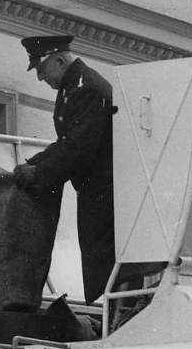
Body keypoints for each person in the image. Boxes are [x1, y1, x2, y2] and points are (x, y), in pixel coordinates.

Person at [13, 35, 116, 304]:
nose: (39, 78)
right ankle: (110, 316)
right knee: (98, 262)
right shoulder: (76, 86)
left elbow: (78, 149)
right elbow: (67, 142)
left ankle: (113, 319)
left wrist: (38, 173)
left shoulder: (87, 88)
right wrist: (36, 162)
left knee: (103, 263)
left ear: (59, 60)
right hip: (96, 193)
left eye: (41, 69)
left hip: (106, 194)